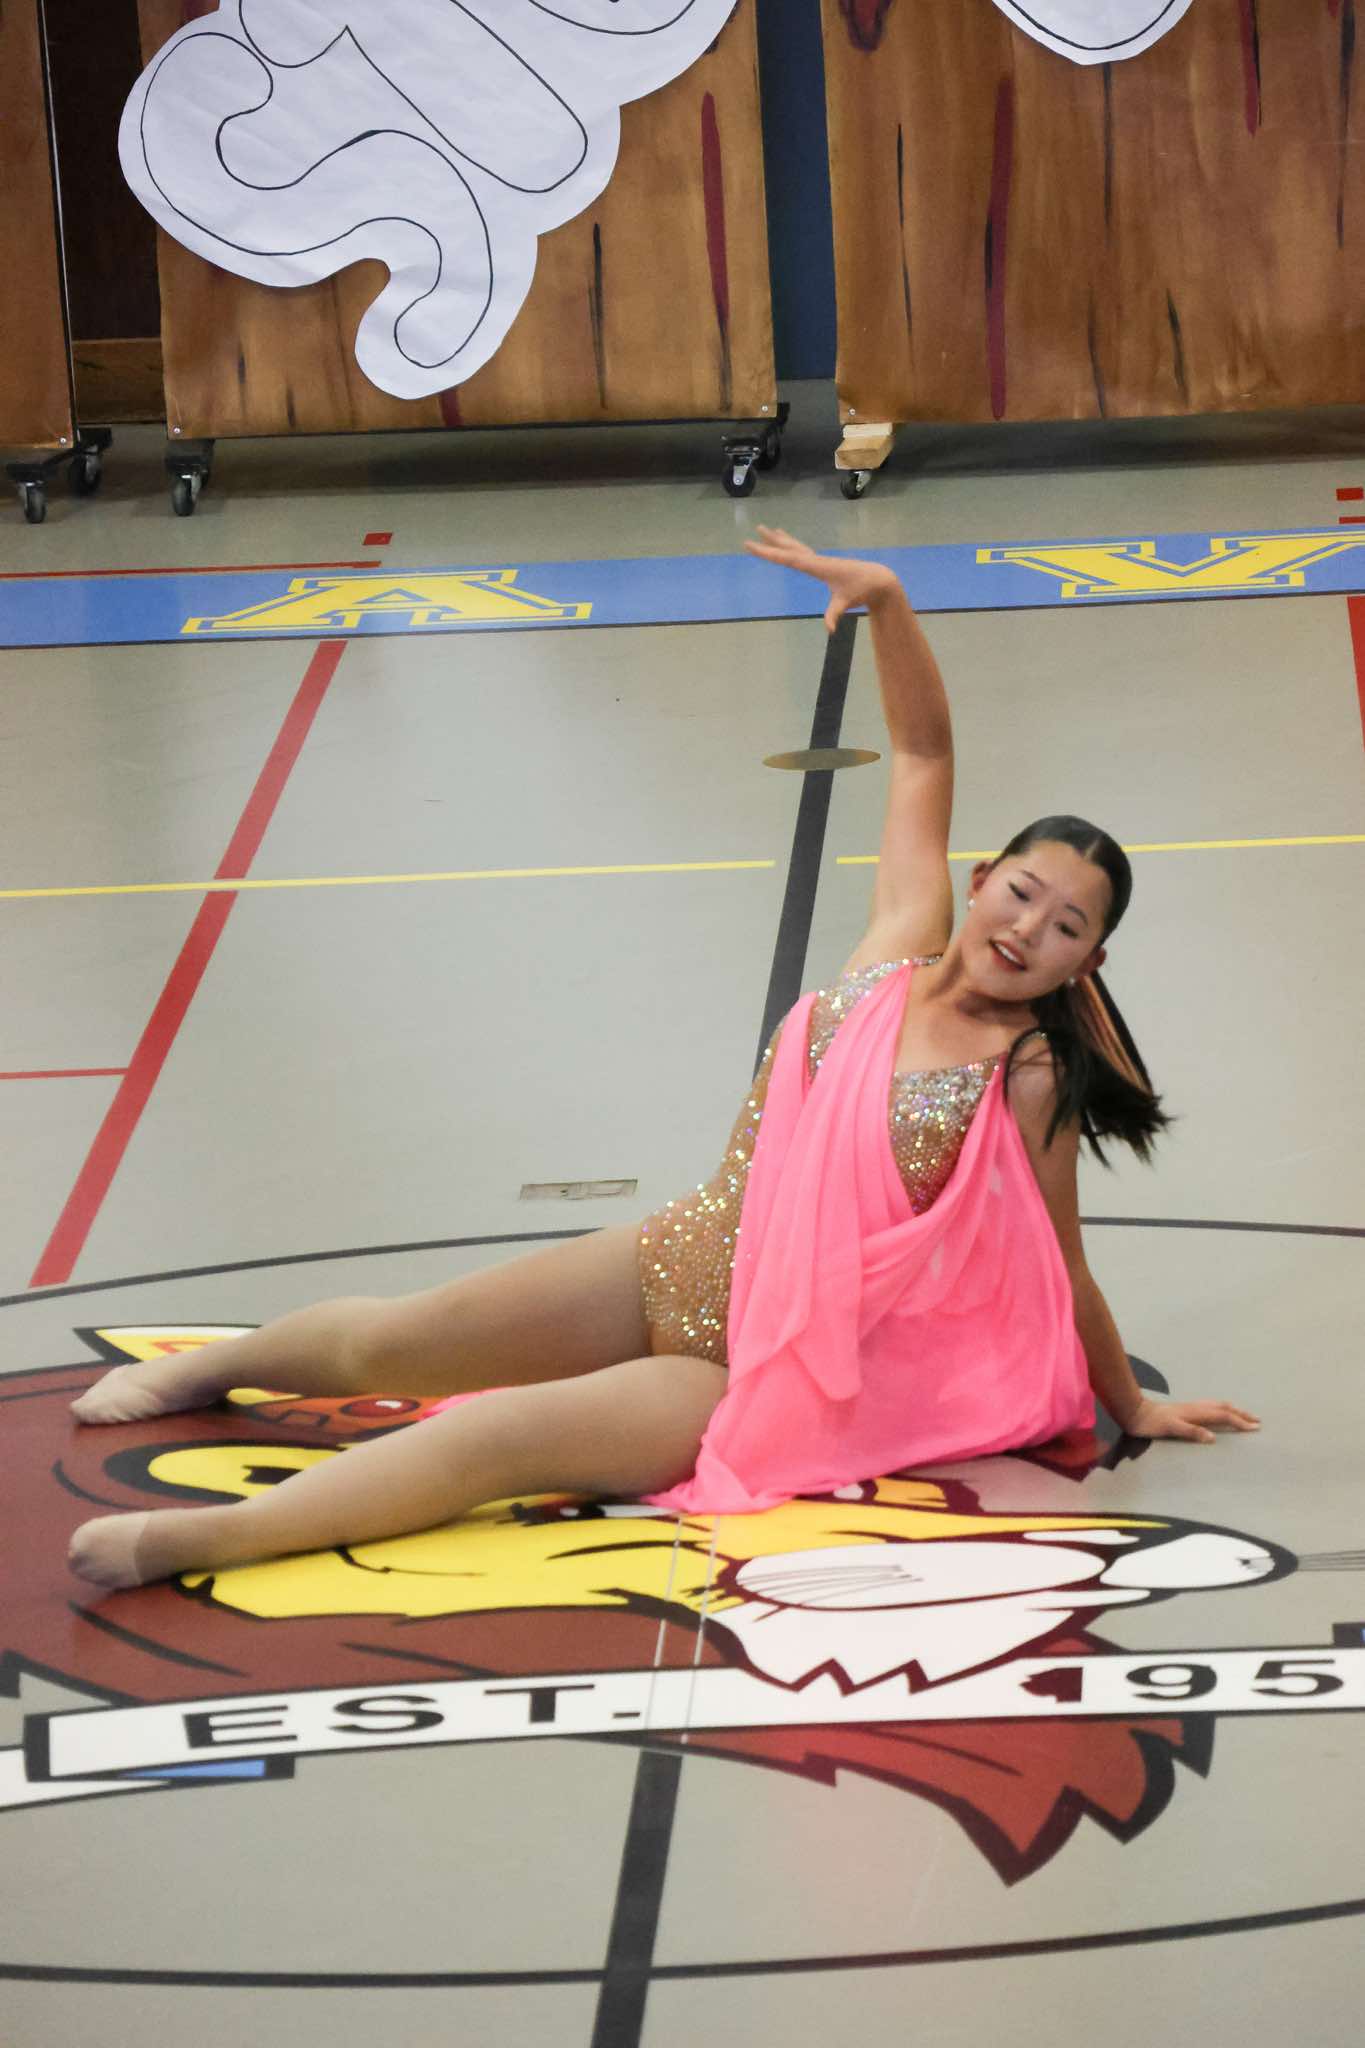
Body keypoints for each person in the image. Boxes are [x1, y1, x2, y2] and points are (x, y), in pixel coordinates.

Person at [66, 530, 1259, 1591]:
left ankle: (211, 1539)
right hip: (675, 1255)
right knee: (395, 1338)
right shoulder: (897, 944)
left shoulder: (1027, 1075)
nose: (1028, 927)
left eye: (1068, 925)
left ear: (1088, 959)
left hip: (753, 1360)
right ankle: (212, 1368)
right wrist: (892, 603)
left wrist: (1130, 1400)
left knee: (487, 1440)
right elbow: (921, 752)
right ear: (985, 874)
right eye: (1024, 890)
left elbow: (1062, 1263)